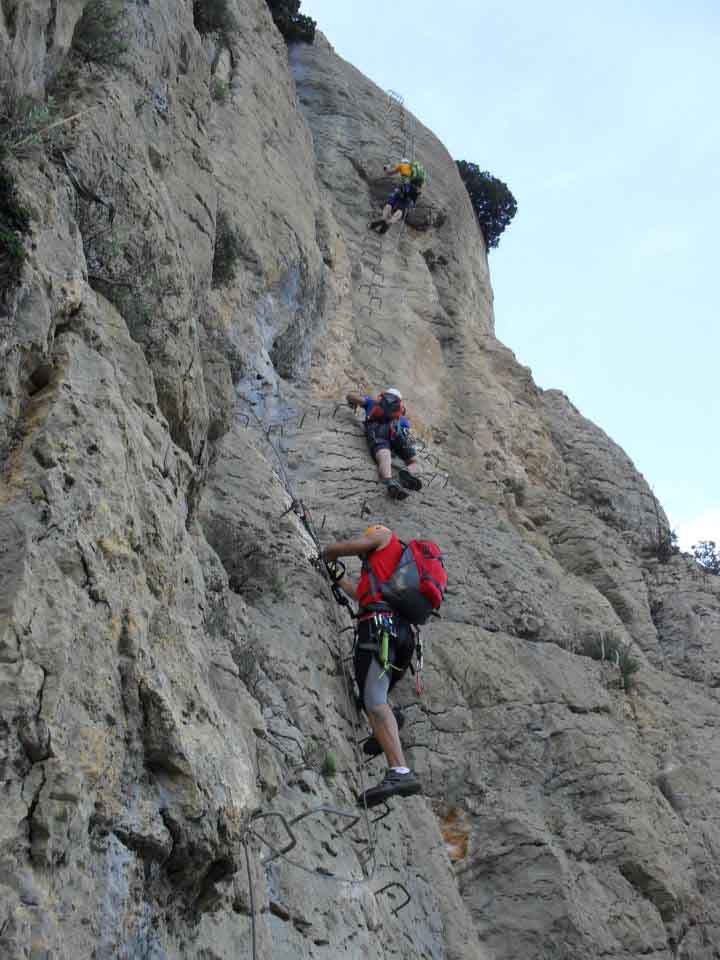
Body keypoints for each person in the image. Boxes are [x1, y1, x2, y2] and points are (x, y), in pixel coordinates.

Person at [321, 525, 422, 807]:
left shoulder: (383, 534)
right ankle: (392, 719)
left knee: (374, 700)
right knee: (374, 695)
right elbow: (362, 596)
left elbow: (347, 547)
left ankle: (399, 770)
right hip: (399, 635)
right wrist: (339, 579)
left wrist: (324, 552)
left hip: (378, 630)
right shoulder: (389, 574)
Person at [346, 388, 422, 500]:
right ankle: (408, 471)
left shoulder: (373, 402)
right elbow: (406, 433)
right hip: (396, 434)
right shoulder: (402, 417)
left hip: (378, 431)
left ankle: (389, 481)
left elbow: (351, 396)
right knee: (414, 461)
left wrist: (351, 400)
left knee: (384, 456)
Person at [369, 158, 426, 234]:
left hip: (403, 188)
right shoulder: (419, 174)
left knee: (390, 203)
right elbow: (421, 188)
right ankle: (390, 222)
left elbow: (389, 172)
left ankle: (383, 218)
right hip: (414, 193)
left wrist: (386, 168)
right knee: (401, 209)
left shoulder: (402, 166)